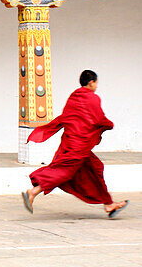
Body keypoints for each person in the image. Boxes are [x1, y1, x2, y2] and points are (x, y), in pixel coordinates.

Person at [21, 70, 128, 218]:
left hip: (71, 141)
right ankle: (33, 192)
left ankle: (108, 204)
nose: (96, 86)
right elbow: (97, 119)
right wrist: (109, 124)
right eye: (96, 83)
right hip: (79, 145)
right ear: (91, 82)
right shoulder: (92, 98)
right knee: (64, 171)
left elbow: (68, 117)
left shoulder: (74, 97)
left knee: (95, 167)